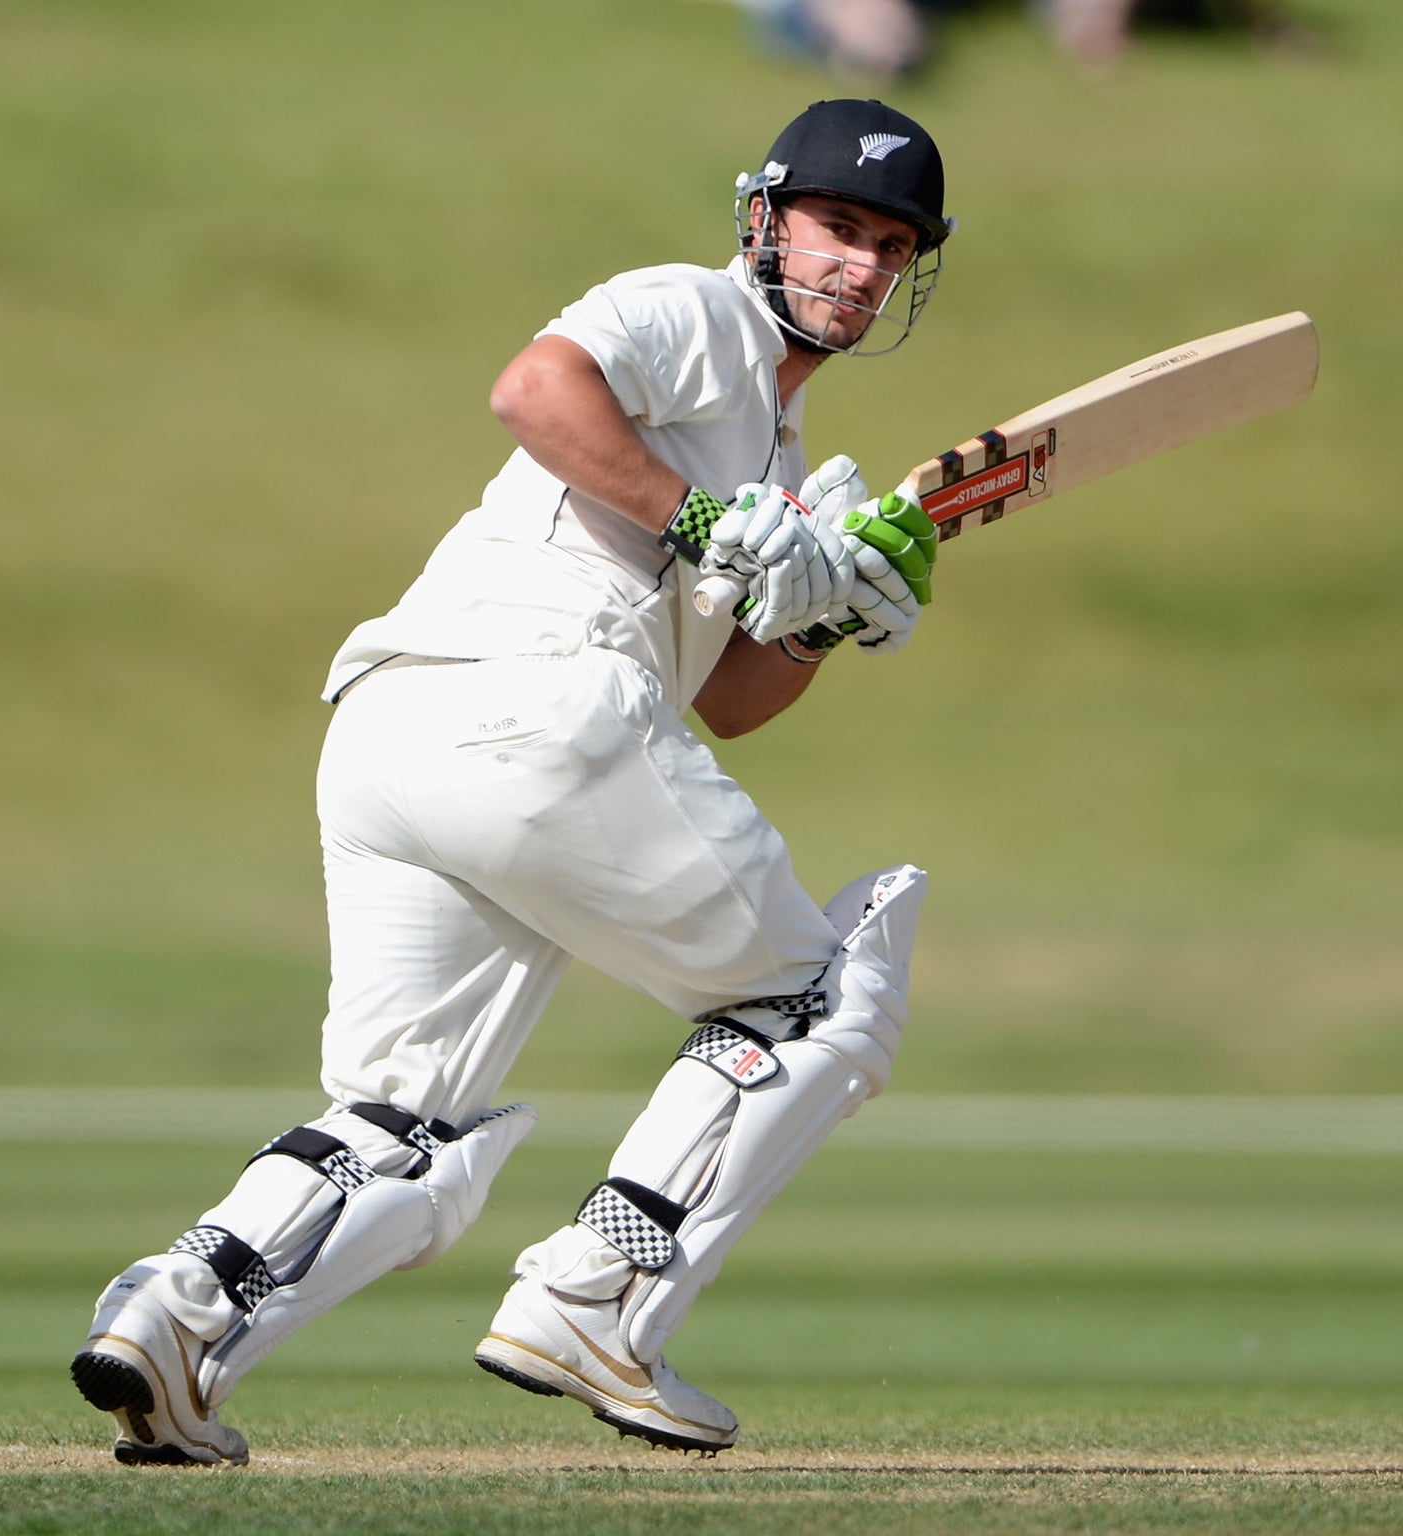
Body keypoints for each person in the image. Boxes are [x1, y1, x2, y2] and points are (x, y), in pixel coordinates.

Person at [71, 97, 952, 1466]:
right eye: (839, 228)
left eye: (893, 247)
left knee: (403, 1123)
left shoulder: (778, 458)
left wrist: (832, 608)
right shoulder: (693, 312)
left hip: (399, 732)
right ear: (768, 222)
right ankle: (597, 1295)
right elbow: (535, 389)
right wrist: (712, 523)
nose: (861, 267)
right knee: (816, 997)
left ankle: (178, 1323)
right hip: (537, 701)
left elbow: (729, 700)